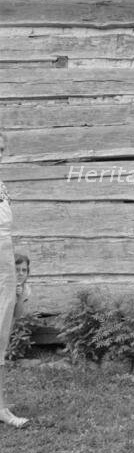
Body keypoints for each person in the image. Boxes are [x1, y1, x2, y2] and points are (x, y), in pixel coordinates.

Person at [0, 132, 29, 427]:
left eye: (2, 149)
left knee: (0, 334)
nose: (0, 153)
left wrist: (17, 270)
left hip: (4, 263)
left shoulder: (2, 185)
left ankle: (0, 406)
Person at [14, 253, 31, 320]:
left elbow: (17, 315)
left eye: (24, 270)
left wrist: (20, 297)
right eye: (17, 270)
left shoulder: (26, 289)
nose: (21, 273)